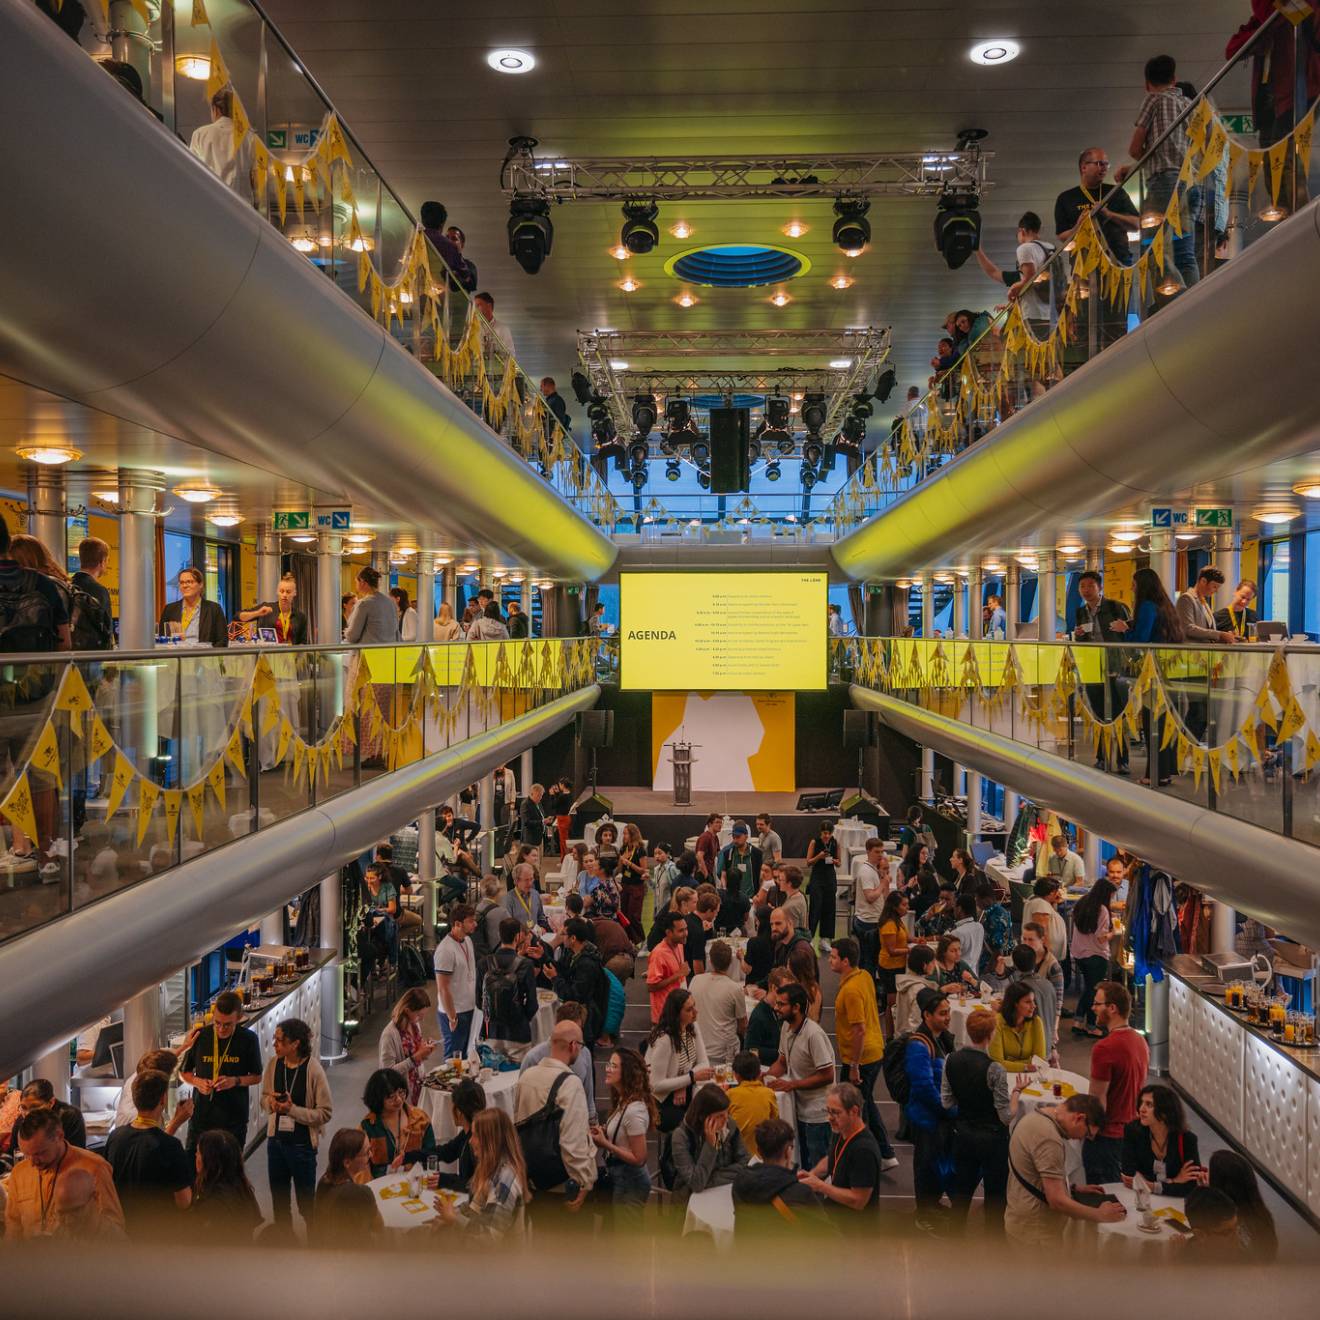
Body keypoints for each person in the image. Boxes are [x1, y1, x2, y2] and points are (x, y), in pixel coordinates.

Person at [1114, 54, 1199, 291]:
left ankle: (1178, 301)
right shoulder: (1189, 104)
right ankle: (1196, 305)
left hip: (1164, 181)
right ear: (1174, 79)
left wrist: (1143, 159)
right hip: (1190, 182)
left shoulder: (1153, 100)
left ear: (1147, 84)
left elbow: (1134, 149)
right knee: (1185, 254)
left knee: (1151, 247)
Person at [1004, 1093, 1125, 1246]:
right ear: (1079, 1118)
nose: (1081, 1139)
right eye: (1087, 1134)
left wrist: (1071, 1189)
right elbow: (1056, 1201)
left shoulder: (1034, 1117)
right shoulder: (1049, 1138)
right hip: (1036, 1234)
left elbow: (1033, 1175)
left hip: (1021, 1222)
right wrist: (1099, 1214)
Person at [942, 1007, 1018, 1229]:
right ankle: (993, 1244)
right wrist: (1015, 1095)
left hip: (964, 1135)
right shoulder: (995, 1069)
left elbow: (946, 1102)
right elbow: (1005, 1116)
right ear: (991, 1035)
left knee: (961, 1191)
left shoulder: (951, 1060)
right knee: (995, 1196)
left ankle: (955, 1238)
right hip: (993, 1140)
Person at [829, 937, 898, 1167]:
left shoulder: (850, 990)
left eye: (833, 956)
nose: (829, 959)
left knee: (854, 1108)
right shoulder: (864, 975)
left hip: (860, 1057)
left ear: (846, 961)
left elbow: (859, 1029)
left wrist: (854, 1066)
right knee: (866, 1101)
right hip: (874, 1050)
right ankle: (886, 1154)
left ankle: (864, 1156)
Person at [4, 1107, 124, 1239]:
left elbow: (116, 1231)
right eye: (27, 1155)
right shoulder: (20, 1172)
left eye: (40, 1153)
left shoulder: (94, 1168)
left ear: (59, 1136)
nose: (33, 1163)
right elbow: (13, 1228)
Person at [513, 1020, 595, 1212]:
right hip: (561, 1185)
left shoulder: (526, 1077)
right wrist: (585, 1182)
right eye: (581, 1046)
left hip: (531, 1178)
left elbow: (517, 1124)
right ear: (573, 1045)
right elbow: (573, 1144)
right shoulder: (571, 1084)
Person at [260, 1016, 332, 1231]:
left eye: (280, 1041)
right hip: (276, 1143)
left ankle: (314, 1247)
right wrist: (271, 1103)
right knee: (279, 1203)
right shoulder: (274, 1064)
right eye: (274, 1039)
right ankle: (283, 1244)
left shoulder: (313, 1070)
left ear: (295, 1044)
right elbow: (264, 1097)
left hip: (302, 1147)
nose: (274, 1044)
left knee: (307, 1205)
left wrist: (292, 1110)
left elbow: (325, 1113)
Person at [103, 1069, 192, 1233]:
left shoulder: (115, 1137)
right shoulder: (172, 1146)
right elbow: (184, 1201)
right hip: (158, 1231)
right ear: (163, 1099)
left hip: (124, 1226)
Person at [179, 989, 262, 1155]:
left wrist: (235, 1081)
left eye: (227, 1025)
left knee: (230, 1174)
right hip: (201, 1119)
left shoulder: (248, 1039)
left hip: (234, 1120)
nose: (221, 1029)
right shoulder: (200, 1036)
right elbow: (184, 1073)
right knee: (195, 1172)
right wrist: (198, 1082)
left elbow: (257, 1076)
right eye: (217, 1023)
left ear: (238, 1019)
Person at [1086, 981, 1150, 1183]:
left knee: (1103, 1199)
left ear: (1112, 1008)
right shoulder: (1140, 1041)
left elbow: (1097, 1100)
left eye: (1097, 1004)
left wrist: (1090, 1131)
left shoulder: (1104, 1048)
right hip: (1133, 1133)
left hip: (1108, 1137)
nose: (1093, 1008)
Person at [767, 981, 836, 1171]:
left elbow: (827, 1075)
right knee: (804, 1165)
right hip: (799, 1108)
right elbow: (782, 1062)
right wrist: (762, 1078)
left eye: (781, 1004)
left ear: (796, 1007)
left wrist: (793, 1085)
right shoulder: (786, 1028)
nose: (776, 1008)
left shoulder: (814, 1035)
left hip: (818, 1114)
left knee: (818, 1169)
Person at [589, 1047, 655, 1226]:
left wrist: (605, 1144)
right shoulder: (623, 1099)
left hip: (630, 1182)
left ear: (626, 1072)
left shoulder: (634, 1111)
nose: (607, 1068)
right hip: (623, 1178)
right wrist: (606, 1131)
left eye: (613, 1066)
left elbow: (639, 1158)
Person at [733, 1116, 831, 1236]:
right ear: (788, 1151)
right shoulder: (801, 1193)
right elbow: (828, 1236)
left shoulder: (739, 1183)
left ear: (758, 1150)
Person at [906, 988, 955, 1228]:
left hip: (938, 1117)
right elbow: (923, 1086)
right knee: (925, 1167)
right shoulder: (919, 1045)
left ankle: (932, 1205)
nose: (948, 1017)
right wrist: (946, 1109)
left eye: (949, 1012)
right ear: (927, 1015)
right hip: (927, 1118)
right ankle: (924, 1214)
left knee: (936, 1165)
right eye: (942, 1013)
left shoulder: (941, 1038)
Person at [645, 986, 714, 1147]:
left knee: (710, 1113)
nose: (695, 1012)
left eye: (694, 1006)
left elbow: (704, 1063)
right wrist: (690, 1078)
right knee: (692, 1128)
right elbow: (656, 1085)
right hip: (659, 1102)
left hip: (681, 1089)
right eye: (689, 1009)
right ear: (677, 1014)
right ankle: (675, 1165)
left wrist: (682, 1084)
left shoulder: (692, 1027)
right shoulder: (665, 1040)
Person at [1054, 146, 1140, 265]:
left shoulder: (1116, 192)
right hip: (1084, 265)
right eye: (1099, 163)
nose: (1104, 168)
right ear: (1084, 167)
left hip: (1118, 260)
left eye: (1106, 164)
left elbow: (1136, 224)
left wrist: (1110, 215)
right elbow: (1062, 236)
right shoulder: (1066, 198)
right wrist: (1078, 227)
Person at [974, 210, 1056, 328]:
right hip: (1052, 313)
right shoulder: (1051, 248)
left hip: (1033, 314)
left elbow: (1029, 279)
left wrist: (1014, 288)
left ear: (1022, 231)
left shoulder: (1024, 248)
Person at [1121, 1084, 1201, 1197]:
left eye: (1149, 1105)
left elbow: (1191, 1186)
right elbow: (1129, 1176)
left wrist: (1151, 1186)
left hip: (1174, 1202)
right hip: (1142, 1199)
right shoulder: (1133, 1131)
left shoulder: (1187, 1140)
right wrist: (1174, 1181)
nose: (1141, 1109)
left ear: (1165, 1112)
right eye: (1141, 1103)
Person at [670, 1083, 750, 1195]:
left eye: (727, 1113)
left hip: (725, 1191)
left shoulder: (729, 1124)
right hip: (689, 1199)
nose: (726, 1119)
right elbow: (696, 1183)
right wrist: (710, 1145)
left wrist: (711, 1177)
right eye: (720, 1116)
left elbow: (746, 1162)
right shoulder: (681, 1137)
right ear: (703, 1116)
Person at [520, 1001, 597, 1116]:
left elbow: (588, 1097)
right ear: (556, 1026)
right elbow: (522, 1101)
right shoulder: (533, 1058)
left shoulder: (584, 1053)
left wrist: (592, 1121)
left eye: (577, 1030)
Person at [360, 1067, 436, 1177]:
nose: (399, 1099)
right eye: (391, 1097)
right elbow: (361, 1168)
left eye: (401, 1092)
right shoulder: (368, 1126)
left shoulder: (420, 1119)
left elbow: (431, 1156)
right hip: (381, 1186)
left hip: (415, 1182)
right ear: (378, 1098)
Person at [1202, 1149, 1277, 1259]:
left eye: (1212, 1173)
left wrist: (1208, 1194)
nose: (1207, 1173)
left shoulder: (1229, 1227)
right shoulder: (1258, 1211)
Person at [313, 1128, 383, 1246]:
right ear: (347, 1163)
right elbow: (379, 1227)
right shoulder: (361, 1193)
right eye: (367, 1152)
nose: (371, 1155)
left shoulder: (324, 1180)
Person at [190, 1129, 262, 1242]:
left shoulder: (214, 1203)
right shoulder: (242, 1189)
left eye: (198, 1152)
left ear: (209, 1160)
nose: (195, 1155)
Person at [546, 917, 608, 1048]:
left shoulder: (587, 964)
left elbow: (574, 995)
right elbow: (563, 969)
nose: (562, 938)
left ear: (573, 938)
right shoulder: (573, 953)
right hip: (580, 1017)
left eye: (564, 935)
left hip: (586, 1021)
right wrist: (543, 957)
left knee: (582, 1057)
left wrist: (555, 978)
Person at [484, 917, 539, 1059]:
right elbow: (532, 1003)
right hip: (518, 1033)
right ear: (517, 937)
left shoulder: (484, 963)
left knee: (491, 1077)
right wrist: (521, 1019)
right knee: (517, 1076)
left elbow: (480, 1001)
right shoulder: (525, 964)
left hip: (491, 1031)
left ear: (499, 935)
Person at [187, 84, 254, 198]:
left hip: (211, 202)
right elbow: (255, 178)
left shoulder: (200, 134)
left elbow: (192, 173)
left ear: (215, 109)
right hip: (242, 207)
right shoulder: (249, 137)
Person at [688, 938, 748, 1066]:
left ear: (710, 960)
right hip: (723, 1054)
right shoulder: (735, 989)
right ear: (731, 962)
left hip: (698, 1049)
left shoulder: (695, 980)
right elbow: (743, 1026)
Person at [1071, 876, 1117, 1036]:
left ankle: (1078, 1021)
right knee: (1093, 991)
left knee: (1088, 989)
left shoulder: (1082, 902)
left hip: (1079, 953)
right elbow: (1101, 936)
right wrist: (1114, 933)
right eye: (1111, 895)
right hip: (1096, 955)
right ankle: (1091, 1026)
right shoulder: (1102, 910)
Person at [378, 987, 437, 1105]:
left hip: (418, 1087)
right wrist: (415, 1058)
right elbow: (386, 1073)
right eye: (419, 1016)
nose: (422, 1019)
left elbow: (416, 1054)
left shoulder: (414, 1024)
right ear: (407, 1010)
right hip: (401, 1096)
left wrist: (425, 1051)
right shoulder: (389, 1035)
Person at [435, 902, 479, 1058]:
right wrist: (452, 1016)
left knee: (468, 1054)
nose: (475, 924)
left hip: (469, 1008)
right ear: (458, 924)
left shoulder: (467, 941)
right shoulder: (445, 951)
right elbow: (443, 988)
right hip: (455, 1013)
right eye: (471, 921)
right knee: (454, 1058)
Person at [726, 1050, 780, 1155]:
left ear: (736, 1075)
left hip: (736, 1156)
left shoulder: (730, 1095)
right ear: (760, 1073)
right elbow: (775, 1122)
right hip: (763, 1154)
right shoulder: (768, 1093)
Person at [159, 565, 227, 646]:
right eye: (182, 582)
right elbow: (161, 638)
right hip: (176, 655)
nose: (185, 585)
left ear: (200, 584)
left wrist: (209, 657)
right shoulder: (170, 609)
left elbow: (222, 641)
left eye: (189, 582)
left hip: (203, 656)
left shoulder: (214, 609)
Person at [1010, 944, 1059, 1056]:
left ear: (1015, 965)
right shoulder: (1048, 985)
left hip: (1028, 1047)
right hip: (1047, 1045)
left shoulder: (1020, 989)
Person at [989, 981, 1047, 1073]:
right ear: (1015, 1004)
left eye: (1033, 1001)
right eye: (1028, 1002)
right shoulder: (997, 1023)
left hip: (1032, 1076)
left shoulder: (1036, 1022)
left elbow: (1040, 1061)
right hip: (1004, 1077)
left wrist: (1010, 1063)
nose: (1034, 1006)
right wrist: (1026, 1066)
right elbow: (997, 1064)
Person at [13, 1078, 87, 1150]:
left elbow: (77, 1153)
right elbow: (12, 1152)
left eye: (35, 1107)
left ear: (51, 1102)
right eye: (24, 1107)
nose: (28, 1113)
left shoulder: (69, 1116)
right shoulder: (22, 1120)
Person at [851, 837, 889, 974]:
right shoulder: (867, 872)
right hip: (868, 923)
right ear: (868, 851)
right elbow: (870, 897)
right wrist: (883, 884)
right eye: (876, 852)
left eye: (882, 852)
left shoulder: (873, 870)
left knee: (869, 959)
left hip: (871, 920)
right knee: (869, 961)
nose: (880, 855)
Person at [237, 572, 308, 644]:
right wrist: (258, 613)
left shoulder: (301, 617)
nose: (284, 595)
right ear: (277, 592)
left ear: (294, 593)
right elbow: (238, 616)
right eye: (282, 591)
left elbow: (303, 642)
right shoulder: (266, 608)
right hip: (267, 654)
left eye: (288, 592)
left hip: (290, 654)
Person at [646, 908, 691, 1023]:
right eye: (681, 931)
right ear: (668, 933)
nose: (685, 933)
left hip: (677, 1011)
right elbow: (651, 987)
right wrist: (678, 974)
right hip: (664, 1015)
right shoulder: (658, 954)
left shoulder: (679, 945)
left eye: (686, 929)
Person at [70, 536, 115, 649]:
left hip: (70, 653)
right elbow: (106, 631)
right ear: (102, 561)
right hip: (93, 655)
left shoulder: (67, 585)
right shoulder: (100, 591)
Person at [745, 967, 796, 1066]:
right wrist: (781, 1053)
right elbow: (750, 1049)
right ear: (773, 988)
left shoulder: (782, 1010)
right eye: (786, 989)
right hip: (767, 1069)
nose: (790, 994)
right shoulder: (759, 1016)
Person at [1177, 565, 1237, 645]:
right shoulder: (1186, 598)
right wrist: (1219, 635)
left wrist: (1225, 636)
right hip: (1192, 652)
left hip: (1204, 653)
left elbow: (1208, 632)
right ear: (1203, 581)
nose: (1216, 591)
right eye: (1214, 587)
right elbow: (1188, 628)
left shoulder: (1204, 602)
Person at [876, 890, 909, 1034]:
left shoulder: (897, 920)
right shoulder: (889, 924)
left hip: (898, 966)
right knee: (892, 1004)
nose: (907, 907)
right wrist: (909, 951)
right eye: (904, 905)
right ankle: (890, 1035)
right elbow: (892, 950)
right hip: (890, 967)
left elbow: (903, 938)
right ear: (895, 907)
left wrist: (916, 941)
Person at [805, 820, 840, 941]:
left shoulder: (835, 843)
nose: (826, 836)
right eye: (825, 833)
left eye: (829, 833)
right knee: (815, 907)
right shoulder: (815, 842)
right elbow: (808, 862)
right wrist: (819, 856)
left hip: (830, 877)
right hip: (817, 877)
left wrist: (835, 861)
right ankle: (810, 937)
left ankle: (825, 939)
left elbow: (839, 862)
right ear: (821, 832)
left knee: (829, 908)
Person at [345, 565, 398, 643]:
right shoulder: (390, 602)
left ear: (363, 582)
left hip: (369, 653)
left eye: (356, 582)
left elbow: (353, 636)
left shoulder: (364, 603)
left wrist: (346, 633)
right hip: (390, 652)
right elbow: (395, 631)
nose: (356, 586)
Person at [895, 945, 941, 1034]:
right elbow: (916, 1022)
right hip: (913, 1039)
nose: (934, 965)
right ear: (924, 965)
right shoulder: (918, 989)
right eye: (932, 962)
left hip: (901, 1034)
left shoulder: (906, 981)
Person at [419, 200, 467, 284]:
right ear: (442, 223)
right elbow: (464, 275)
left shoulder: (415, 240)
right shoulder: (449, 246)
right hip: (439, 292)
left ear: (423, 220)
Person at [1022, 878, 1068, 966]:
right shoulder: (1040, 904)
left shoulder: (1037, 900)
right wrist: (1047, 954)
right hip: (1043, 955)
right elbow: (1041, 931)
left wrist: (1054, 902)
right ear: (1051, 892)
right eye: (1056, 891)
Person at [976, 881, 1013, 975]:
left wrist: (988, 970)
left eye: (977, 899)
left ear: (986, 899)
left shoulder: (995, 918)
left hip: (994, 963)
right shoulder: (997, 911)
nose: (976, 902)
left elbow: (998, 949)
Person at [504, 861, 548, 932]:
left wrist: (543, 927)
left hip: (536, 937)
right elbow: (508, 927)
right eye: (526, 880)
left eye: (531, 879)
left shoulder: (535, 894)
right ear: (516, 881)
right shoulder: (509, 899)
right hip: (518, 939)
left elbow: (541, 916)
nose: (530, 883)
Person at [787, 940, 824, 1023]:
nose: (787, 969)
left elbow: (812, 1019)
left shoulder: (811, 991)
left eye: (789, 966)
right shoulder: (802, 986)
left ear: (796, 969)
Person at [950, 893, 985, 975]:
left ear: (959, 909)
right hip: (974, 973)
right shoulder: (979, 927)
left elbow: (949, 958)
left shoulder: (957, 932)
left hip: (959, 974)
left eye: (954, 907)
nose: (953, 910)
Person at [474, 290, 515, 357]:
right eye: (475, 306)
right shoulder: (473, 329)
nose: (476, 309)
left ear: (489, 306)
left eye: (478, 305)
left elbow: (511, 355)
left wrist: (494, 348)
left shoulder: (503, 329)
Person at [777, 864, 810, 934]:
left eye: (780, 880)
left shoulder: (790, 907)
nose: (778, 882)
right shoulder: (800, 896)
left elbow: (791, 933)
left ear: (789, 883)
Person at [695, 811, 723, 880]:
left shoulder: (715, 837)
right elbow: (699, 856)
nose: (720, 825)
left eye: (721, 822)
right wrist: (706, 874)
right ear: (710, 824)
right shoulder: (705, 837)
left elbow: (719, 854)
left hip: (709, 872)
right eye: (717, 822)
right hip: (702, 874)